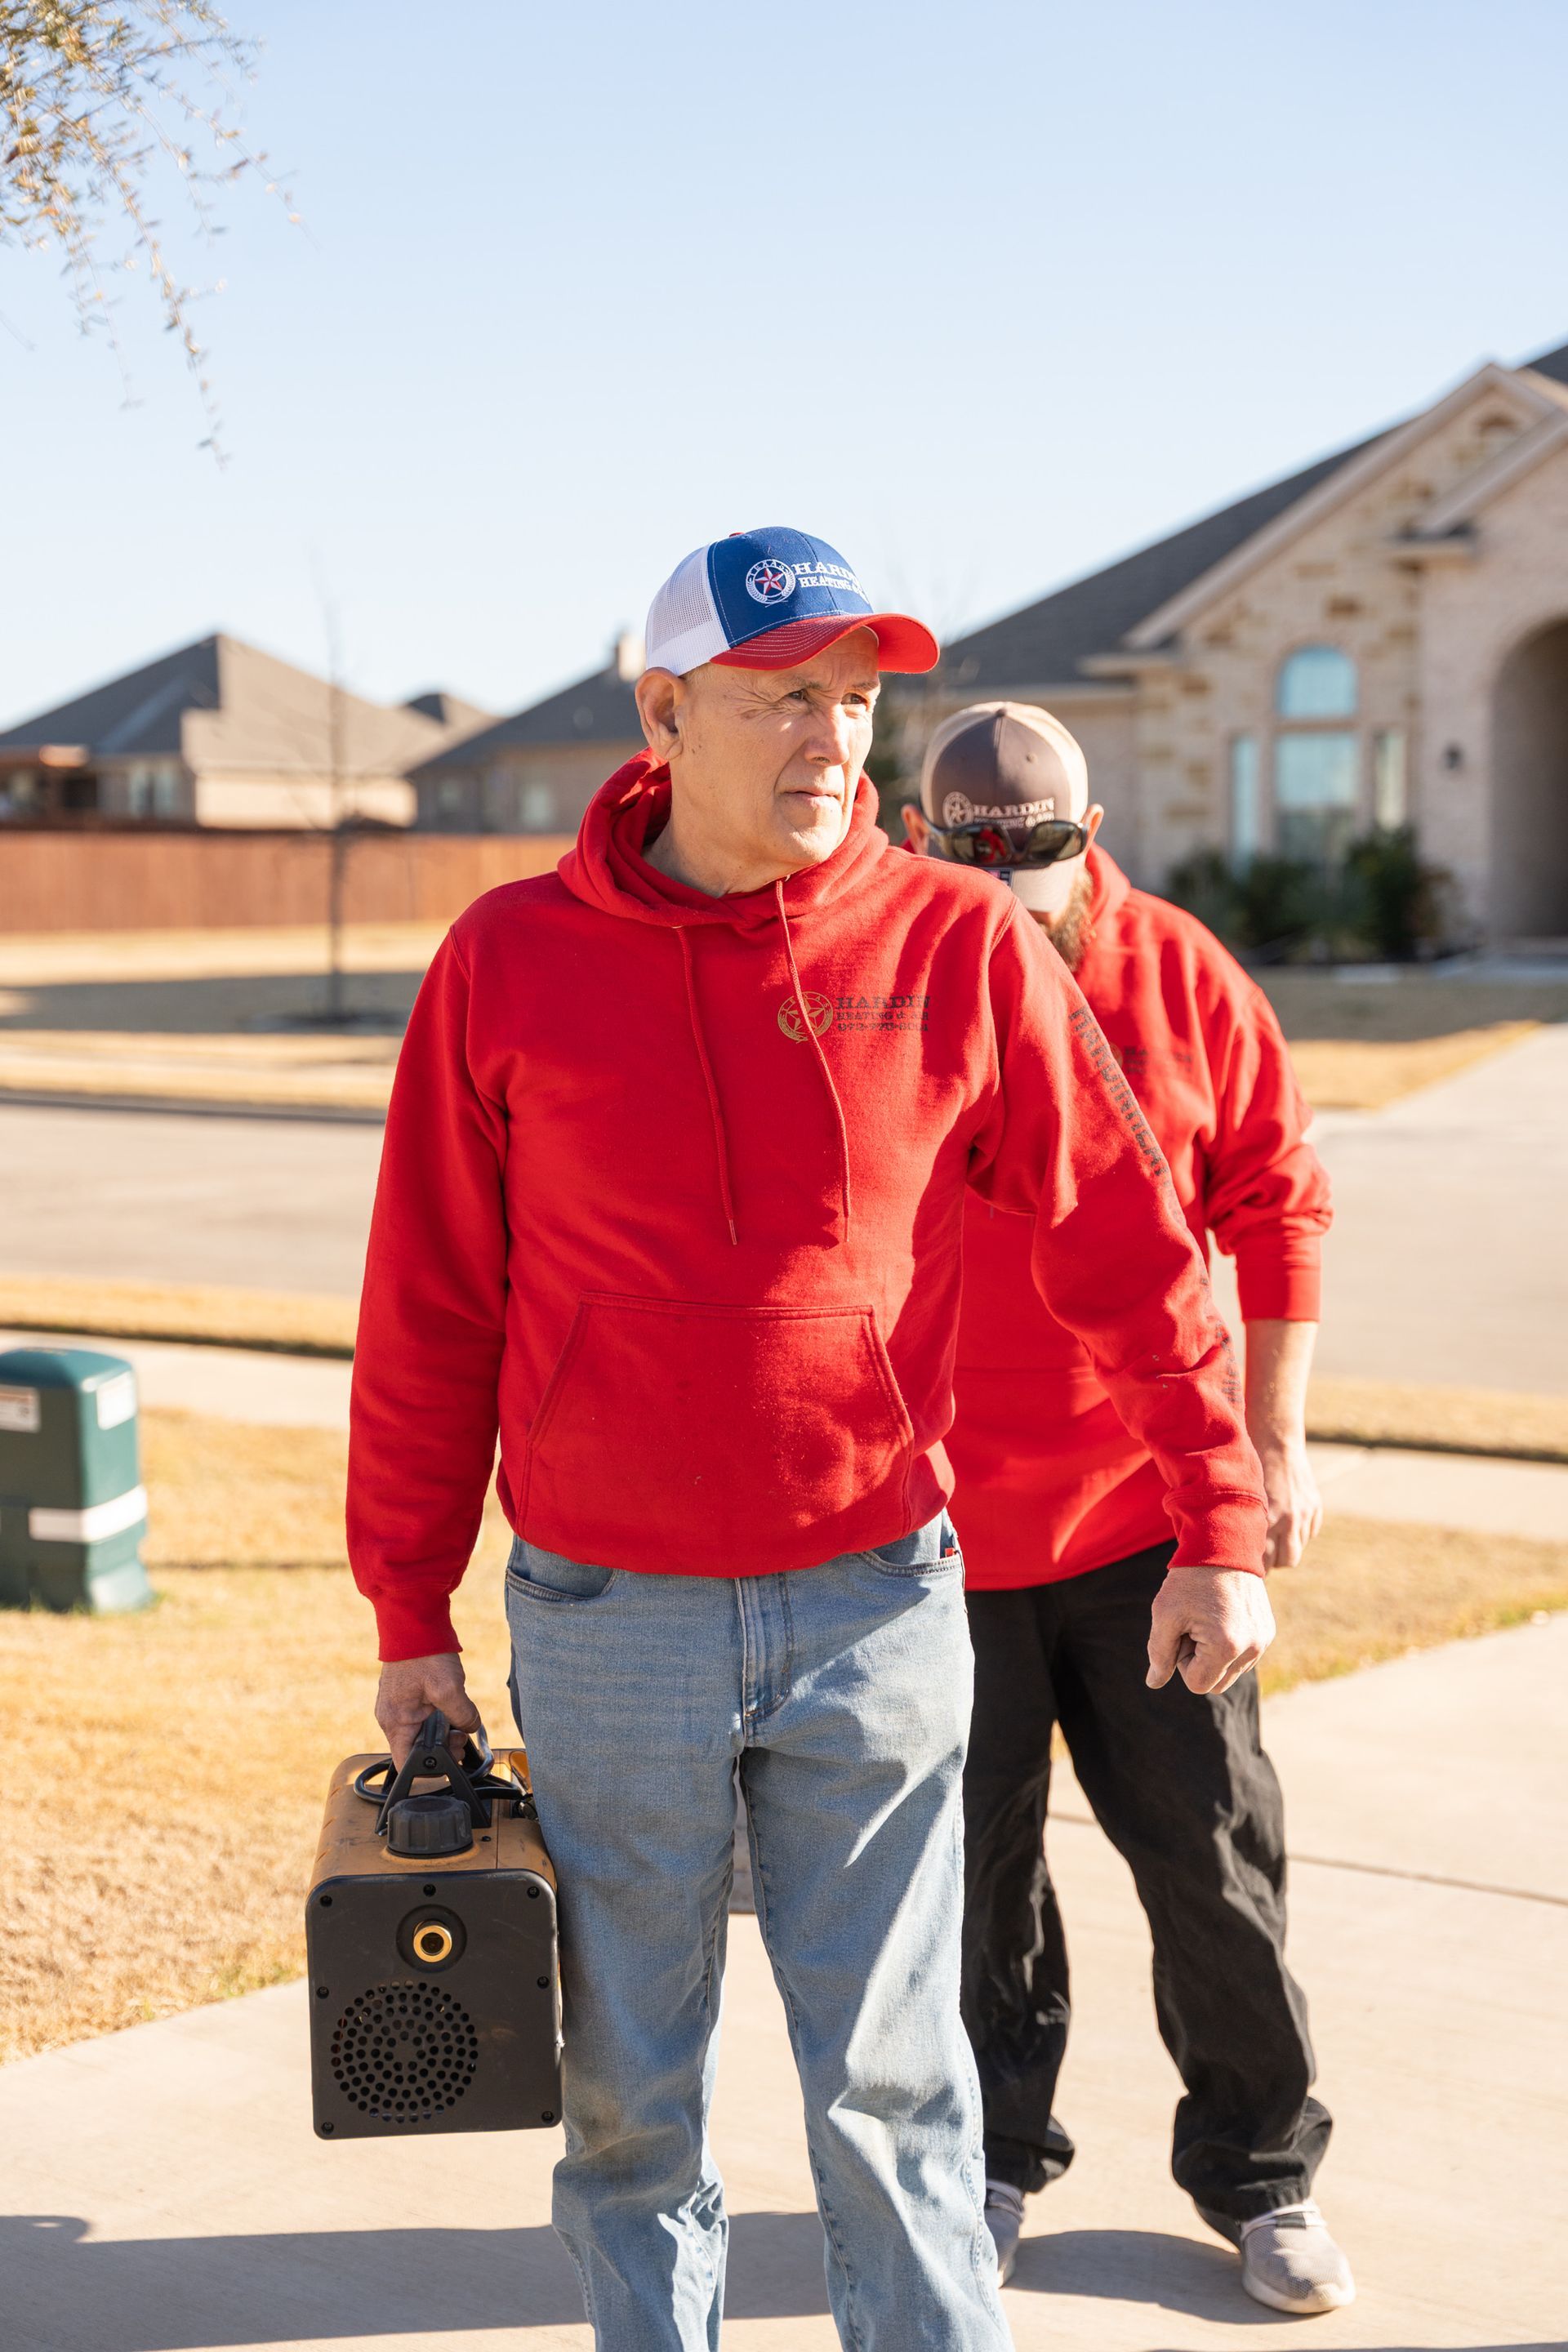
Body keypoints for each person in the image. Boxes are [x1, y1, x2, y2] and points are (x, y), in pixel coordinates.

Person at [348, 529, 1276, 2352]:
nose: (833, 741)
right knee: (631, 2108)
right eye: (785, 697)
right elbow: (431, 1307)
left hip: (875, 1603)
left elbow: (1126, 1237)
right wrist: (407, 1611)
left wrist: (1217, 1514)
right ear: (664, 709)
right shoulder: (509, 961)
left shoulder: (949, 940)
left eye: (857, 701)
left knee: (900, 2093)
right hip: (612, 1623)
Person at [902, 700, 1352, 2316]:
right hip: (937, 1534)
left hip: (1144, 1516)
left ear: (1087, 839)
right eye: (971, 867)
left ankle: (1262, 2176)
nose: (1008, 899)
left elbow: (1278, 1206)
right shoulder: (887, 966)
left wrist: (1269, 1454)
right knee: (973, 1879)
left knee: (1212, 1861)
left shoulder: (1180, 976)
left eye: (1040, 863)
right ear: (922, 843)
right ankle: (994, 2160)